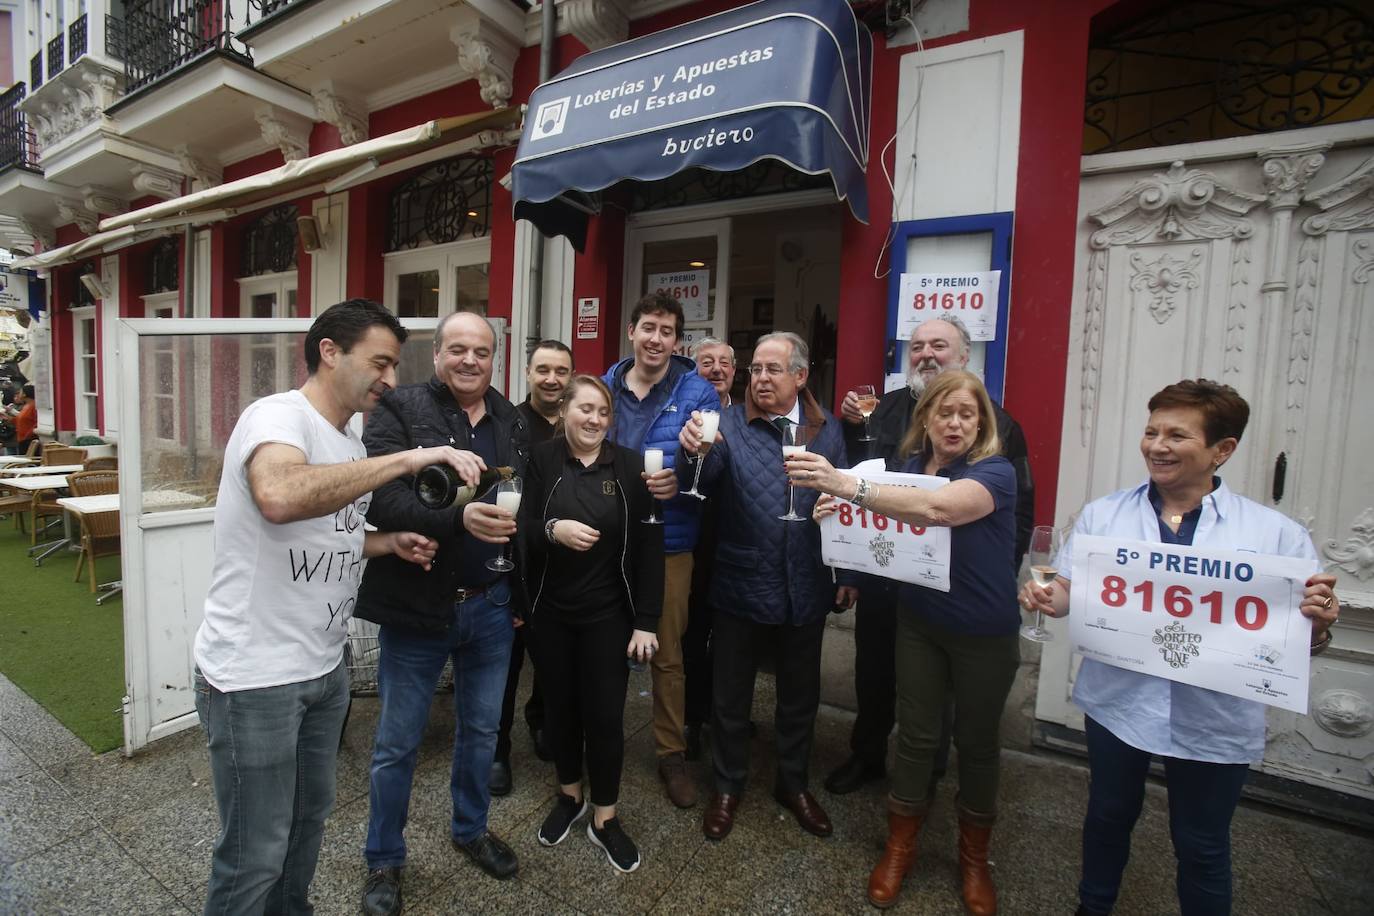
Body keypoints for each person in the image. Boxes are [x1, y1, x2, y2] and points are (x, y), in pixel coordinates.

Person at [192, 299, 480, 915]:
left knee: (305, 828)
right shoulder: (277, 417)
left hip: (324, 670)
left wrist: (387, 543)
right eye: (380, 362)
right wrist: (407, 458)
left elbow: (332, 529)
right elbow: (279, 495)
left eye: (396, 365)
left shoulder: (349, 438)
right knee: (253, 852)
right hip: (255, 677)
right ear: (330, 351)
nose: (390, 380)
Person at [1018, 379, 1340, 916]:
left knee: (1202, 843)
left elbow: (1301, 640)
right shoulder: (1104, 516)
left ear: (1223, 450)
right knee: (1107, 817)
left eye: (1176, 435)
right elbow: (1073, 593)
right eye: (1151, 432)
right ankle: (1091, 908)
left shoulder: (1275, 536)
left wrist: (1319, 626)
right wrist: (1050, 597)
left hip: (1215, 714)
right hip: (1119, 702)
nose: (1157, 445)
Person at [790, 369, 1020, 913]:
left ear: (982, 421)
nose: (955, 423)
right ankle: (900, 846)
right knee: (916, 738)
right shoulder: (910, 469)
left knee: (978, 743)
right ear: (927, 419)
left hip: (984, 631)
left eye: (968, 413)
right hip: (919, 621)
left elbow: (938, 510)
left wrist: (843, 484)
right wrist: (835, 514)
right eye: (945, 413)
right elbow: (881, 519)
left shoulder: (997, 471)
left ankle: (972, 861)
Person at [356, 312, 531, 916]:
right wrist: (456, 519)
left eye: (481, 351)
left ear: (494, 359)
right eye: (457, 349)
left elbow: (523, 514)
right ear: (436, 355)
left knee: (482, 732)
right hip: (417, 606)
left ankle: (470, 828)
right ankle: (383, 859)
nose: (470, 361)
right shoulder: (401, 410)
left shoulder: (513, 421)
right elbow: (381, 498)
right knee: (397, 744)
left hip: (491, 607)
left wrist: (521, 600)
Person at [827, 315, 1035, 796]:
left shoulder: (1001, 425)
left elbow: (1021, 513)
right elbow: (864, 485)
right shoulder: (882, 412)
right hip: (885, 576)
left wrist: (1001, 577)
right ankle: (867, 755)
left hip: (954, 589)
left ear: (964, 356)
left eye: (938, 345)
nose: (925, 355)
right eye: (916, 346)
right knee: (873, 671)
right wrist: (851, 567)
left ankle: (926, 774)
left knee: (937, 697)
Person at [679, 331, 857, 842]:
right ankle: (728, 785)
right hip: (740, 581)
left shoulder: (827, 432)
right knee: (730, 698)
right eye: (754, 369)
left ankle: (793, 783)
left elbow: (844, 503)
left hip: (806, 583)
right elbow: (706, 476)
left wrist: (846, 573)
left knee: (800, 697)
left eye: (772, 369)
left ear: (800, 377)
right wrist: (695, 451)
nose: (759, 378)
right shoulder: (728, 424)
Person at [521, 374, 665, 873]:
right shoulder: (541, 459)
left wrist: (647, 620)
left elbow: (650, 546)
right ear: (564, 413)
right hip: (551, 613)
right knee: (559, 709)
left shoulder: (628, 467)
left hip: (609, 614)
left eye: (603, 412)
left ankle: (605, 816)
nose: (594, 419)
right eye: (585, 409)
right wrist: (549, 528)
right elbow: (519, 530)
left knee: (604, 716)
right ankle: (569, 795)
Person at [601, 293, 717, 808]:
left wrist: (694, 468)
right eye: (648, 327)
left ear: (677, 340)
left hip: (670, 540)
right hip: (609, 537)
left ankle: (671, 753)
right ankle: (599, 740)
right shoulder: (603, 388)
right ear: (631, 331)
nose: (656, 339)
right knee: (603, 646)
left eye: (667, 331)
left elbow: (717, 470)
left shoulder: (698, 392)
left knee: (667, 653)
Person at [491, 339, 574, 795]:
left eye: (561, 371)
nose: (551, 379)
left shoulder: (578, 421)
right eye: (543, 369)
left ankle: (540, 721)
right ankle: (497, 748)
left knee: (553, 658)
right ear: (527, 373)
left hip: (561, 562)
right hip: (516, 556)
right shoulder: (509, 422)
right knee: (507, 661)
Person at [682, 337, 736, 759]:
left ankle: (726, 712)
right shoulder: (686, 415)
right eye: (707, 362)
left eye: (725, 363)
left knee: (731, 640)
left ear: (735, 372)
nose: (716, 369)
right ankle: (692, 718)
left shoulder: (749, 416)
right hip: (696, 544)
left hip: (737, 545)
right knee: (693, 635)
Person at [8, 384, 36, 455]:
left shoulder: (33, 406)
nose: (18, 394)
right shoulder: (26, 406)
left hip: (28, 439)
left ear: (24, 394)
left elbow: (36, 423)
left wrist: (28, 434)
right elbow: (19, 420)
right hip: (21, 438)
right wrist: (7, 417)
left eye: (20, 392)